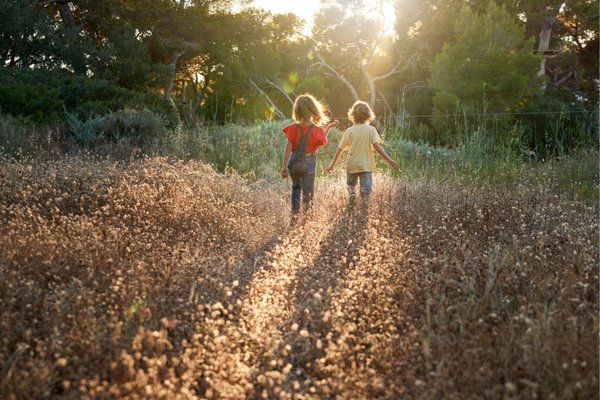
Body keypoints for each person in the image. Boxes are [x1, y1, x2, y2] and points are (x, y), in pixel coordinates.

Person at [325, 100, 399, 202]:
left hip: (352, 165)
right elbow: (377, 147)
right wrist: (390, 160)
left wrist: (332, 165)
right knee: (366, 192)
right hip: (366, 165)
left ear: (353, 115)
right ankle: (364, 209)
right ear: (368, 115)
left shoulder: (349, 131)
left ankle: (352, 193)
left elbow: (340, 149)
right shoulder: (371, 130)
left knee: (350, 185)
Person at [281, 94, 339, 215]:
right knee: (308, 191)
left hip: (294, 160)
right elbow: (323, 142)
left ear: (296, 111)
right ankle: (307, 216)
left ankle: (295, 214)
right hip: (309, 161)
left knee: (296, 187)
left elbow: (288, 147)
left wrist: (284, 166)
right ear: (313, 109)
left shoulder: (292, 128)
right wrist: (329, 127)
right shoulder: (317, 130)